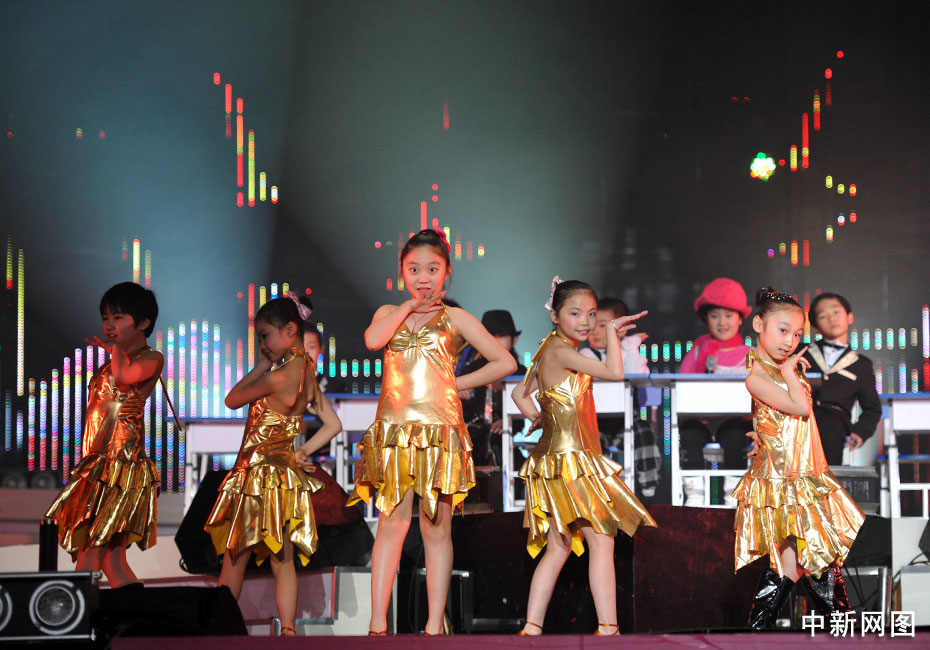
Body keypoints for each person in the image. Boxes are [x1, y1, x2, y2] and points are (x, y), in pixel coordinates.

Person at [347, 229, 517, 636]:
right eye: (414, 269)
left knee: (435, 527)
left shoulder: (456, 318)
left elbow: (505, 362)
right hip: (395, 433)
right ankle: (377, 625)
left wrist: (454, 384)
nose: (423, 278)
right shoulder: (389, 311)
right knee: (391, 525)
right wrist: (407, 306)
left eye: (432, 269)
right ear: (401, 271)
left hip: (439, 433)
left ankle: (433, 627)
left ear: (447, 272)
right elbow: (372, 340)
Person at [511, 278, 656, 636]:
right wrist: (613, 333)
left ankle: (532, 627)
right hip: (571, 461)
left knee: (559, 548)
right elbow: (615, 373)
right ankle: (608, 628)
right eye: (575, 313)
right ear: (555, 315)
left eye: (592, 314)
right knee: (601, 541)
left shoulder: (550, 347)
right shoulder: (561, 352)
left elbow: (519, 393)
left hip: (557, 459)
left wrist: (540, 417)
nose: (586, 322)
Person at [204, 296, 343, 637]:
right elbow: (333, 424)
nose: (263, 344)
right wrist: (302, 451)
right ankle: (289, 632)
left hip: (256, 476)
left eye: (265, 336)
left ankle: (218, 632)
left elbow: (232, 399)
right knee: (283, 560)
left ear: (289, 330)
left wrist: (260, 366)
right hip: (284, 478)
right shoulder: (306, 374)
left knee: (235, 556)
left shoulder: (277, 377)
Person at [733, 288, 864, 629]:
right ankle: (842, 629)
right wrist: (791, 374)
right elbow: (801, 408)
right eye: (782, 331)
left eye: (795, 334)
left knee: (794, 563)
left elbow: (775, 418)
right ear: (758, 324)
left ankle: (758, 630)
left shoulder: (778, 369)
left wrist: (761, 432)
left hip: (803, 471)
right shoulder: (758, 376)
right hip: (788, 479)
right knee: (815, 554)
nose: (789, 341)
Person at [46, 282, 164, 588]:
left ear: (144, 323)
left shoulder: (151, 358)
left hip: (120, 469)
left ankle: (75, 613)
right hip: (99, 465)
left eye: (118, 318)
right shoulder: (113, 360)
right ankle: (134, 613)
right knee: (112, 560)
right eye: (105, 318)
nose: (109, 325)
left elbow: (126, 377)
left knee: (90, 553)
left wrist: (117, 350)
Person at [580, 297, 660, 498]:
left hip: (626, 419)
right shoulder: (586, 354)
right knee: (590, 442)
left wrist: (629, 346)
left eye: (603, 326)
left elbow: (639, 375)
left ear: (620, 329)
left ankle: (648, 485)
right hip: (595, 420)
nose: (595, 331)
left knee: (644, 432)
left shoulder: (627, 352)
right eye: (593, 324)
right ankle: (595, 489)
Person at [678, 277, 754, 471]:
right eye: (715, 316)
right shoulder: (697, 352)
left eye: (728, 315)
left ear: (740, 318)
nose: (722, 322)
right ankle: (694, 486)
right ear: (706, 319)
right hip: (701, 421)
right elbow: (681, 390)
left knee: (735, 435)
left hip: (738, 422)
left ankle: (734, 487)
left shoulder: (752, 355)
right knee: (689, 434)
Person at [803, 293, 882, 466]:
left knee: (830, 430)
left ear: (850, 317)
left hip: (835, 424)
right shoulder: (803, 353)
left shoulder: (861, 364)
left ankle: (826, 482)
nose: (831, 319)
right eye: (823, 316)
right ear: (815, 328)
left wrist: (859, 433)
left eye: (836, 312)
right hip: (800, 416)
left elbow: (872, 408)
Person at [460, 309, 526, 466]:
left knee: (518, 469)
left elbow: (526, 412)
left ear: (514, 340)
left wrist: (507, 422)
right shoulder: (469, 370)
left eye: (502, 336)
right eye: (490, 336)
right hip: (470, 441)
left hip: (504, 441)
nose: (495, 341)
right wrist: (458, 390)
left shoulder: (521, 372)